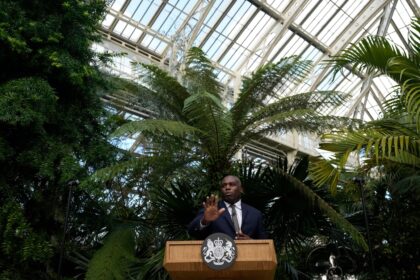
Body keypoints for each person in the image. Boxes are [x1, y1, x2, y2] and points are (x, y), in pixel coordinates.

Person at [188, 175, 267, 240]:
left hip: (248, 256)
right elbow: (192, 231)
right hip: (218, 257)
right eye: (223, 186)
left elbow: (264, 242)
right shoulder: (212, 209)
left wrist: (251, 242)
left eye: (232, 184)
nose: (227, 188)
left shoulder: (255, 213)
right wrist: (204, 221)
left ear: (241, 189)